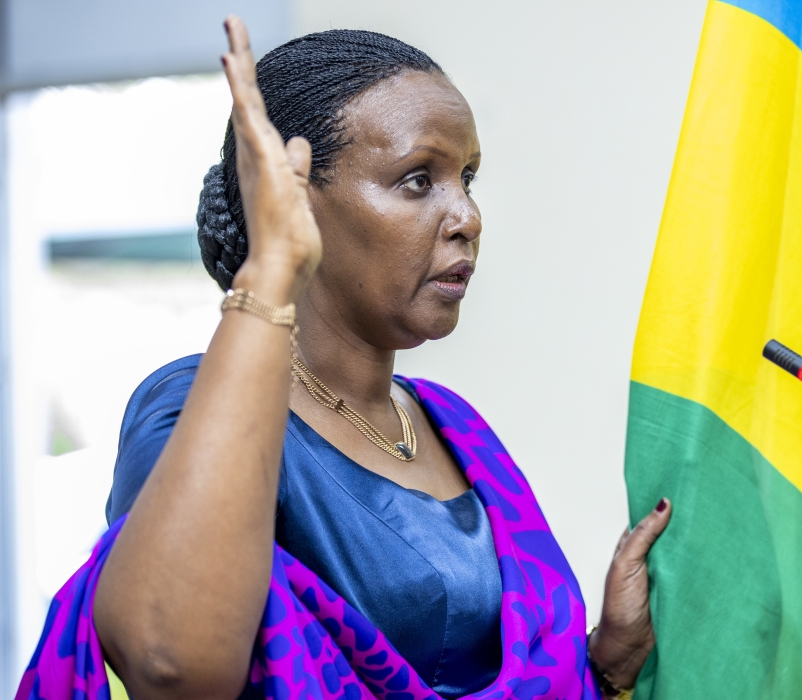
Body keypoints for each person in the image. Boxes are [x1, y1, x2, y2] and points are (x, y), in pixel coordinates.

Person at [83, 17, 670, 700]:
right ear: (292, 201)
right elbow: (169, 661)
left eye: (467, 178)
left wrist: (604, 665)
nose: (468, 216)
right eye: (418, 180)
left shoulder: (450, 423)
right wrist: (270, 275)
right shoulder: (192, 403)